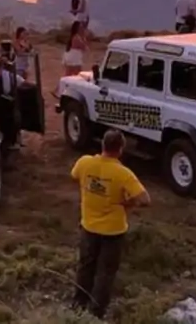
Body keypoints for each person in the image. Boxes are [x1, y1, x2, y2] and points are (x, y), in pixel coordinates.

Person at [70, 130, 150, 320]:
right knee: (105, 273)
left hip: (88, 226)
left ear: (103, 145)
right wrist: (127, 203)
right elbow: (145, 199)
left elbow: (74, 176)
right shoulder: (123, 173)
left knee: (85, 266)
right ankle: (96, 313)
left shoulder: (84, 162)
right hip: (113, 231)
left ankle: (78, 303)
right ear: (120, 149)